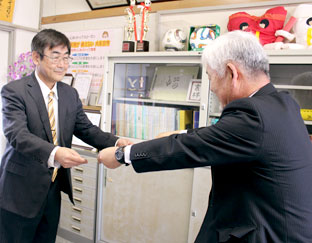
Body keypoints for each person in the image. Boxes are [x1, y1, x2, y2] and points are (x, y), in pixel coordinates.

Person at [97, 30, 312, 243]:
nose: (213, 90)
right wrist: (182, 132)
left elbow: (191, 147)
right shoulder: (282, 103)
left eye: (211, 78)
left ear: (231, 72)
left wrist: (122, 155)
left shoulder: (253, 115)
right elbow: (223, 134)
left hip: (262, 233)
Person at [0, 29, 131, 243]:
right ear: (36, 57)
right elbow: (17, 135)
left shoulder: (69, 93)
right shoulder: (15, 91)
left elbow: (86, 129)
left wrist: (116, 141)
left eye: (66, 57)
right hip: (19, 190)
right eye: (55, 57)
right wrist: (55, 152)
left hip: (52, 189)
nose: (62, 64)